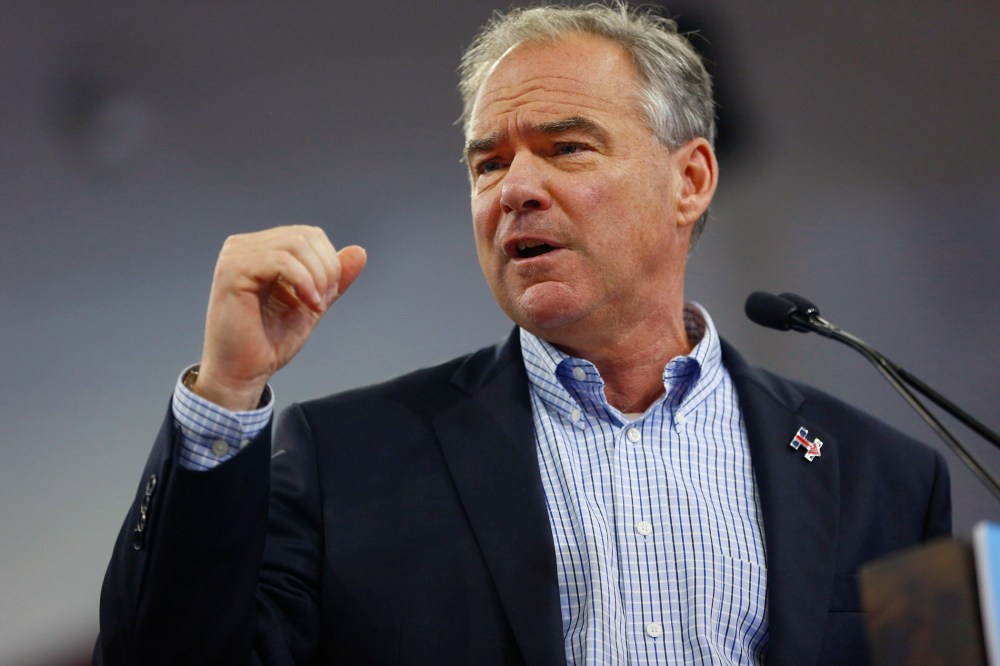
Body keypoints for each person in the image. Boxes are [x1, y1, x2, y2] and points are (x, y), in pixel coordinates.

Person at [94, 3, 950, 665]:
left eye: (566, 148)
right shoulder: (344, 460)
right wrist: (227, 392)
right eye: (489, 163)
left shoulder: (887, 480)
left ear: (688, 180)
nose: (514, 190)